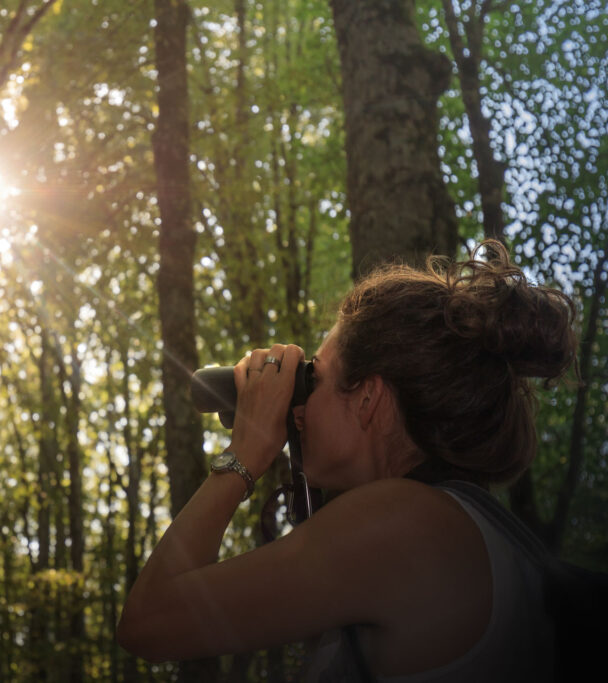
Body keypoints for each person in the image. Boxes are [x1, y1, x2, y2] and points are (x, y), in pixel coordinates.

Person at [116, 241, 577, 682]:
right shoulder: (453, 524)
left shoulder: (401, 524)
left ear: (368, 399)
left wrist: (245, 454)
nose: (297, 408)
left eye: (313, 378)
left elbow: (147, 622)